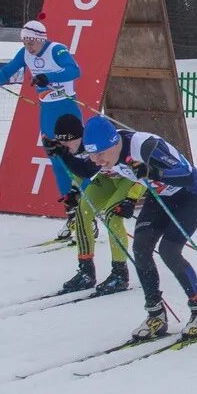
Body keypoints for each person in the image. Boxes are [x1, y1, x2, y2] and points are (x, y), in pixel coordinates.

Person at [75, 116, 197, 340]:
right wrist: (58, 151)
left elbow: (186, 175)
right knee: (141, 248)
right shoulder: (105, 152)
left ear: (114, 142)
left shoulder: (146, 146)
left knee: (169, 251)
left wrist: (152, 173)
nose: (98, 160)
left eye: (100, 154)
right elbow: (84, 169)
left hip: (191, 195)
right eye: (92, 154)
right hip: (160, 195)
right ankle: (155, 314)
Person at [0, 16, 83, 238]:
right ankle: (72, 214)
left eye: (31, 42)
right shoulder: (25, 53)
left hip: (67, 110)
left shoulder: (56, 49)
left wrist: (48, 76)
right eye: (24, 42)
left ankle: (86, 208)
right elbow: (8, 71)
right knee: (56, 161)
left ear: (40, 39)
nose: (28, 46)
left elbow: (75, 71)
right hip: (47, 112)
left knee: (76, 158)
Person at [44, 113, 145, 295]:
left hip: (128, 181)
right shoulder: (76, 149)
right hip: (107, 179)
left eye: (68, 143)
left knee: (113, 215)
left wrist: (131, 198)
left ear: (80, 137)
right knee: (82, 212)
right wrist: (75, 190)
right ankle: (86, 271)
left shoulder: (94, 142)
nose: (66, 148)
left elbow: (143, 174)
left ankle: (120, 273)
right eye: (62, 144)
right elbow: (80, 168)